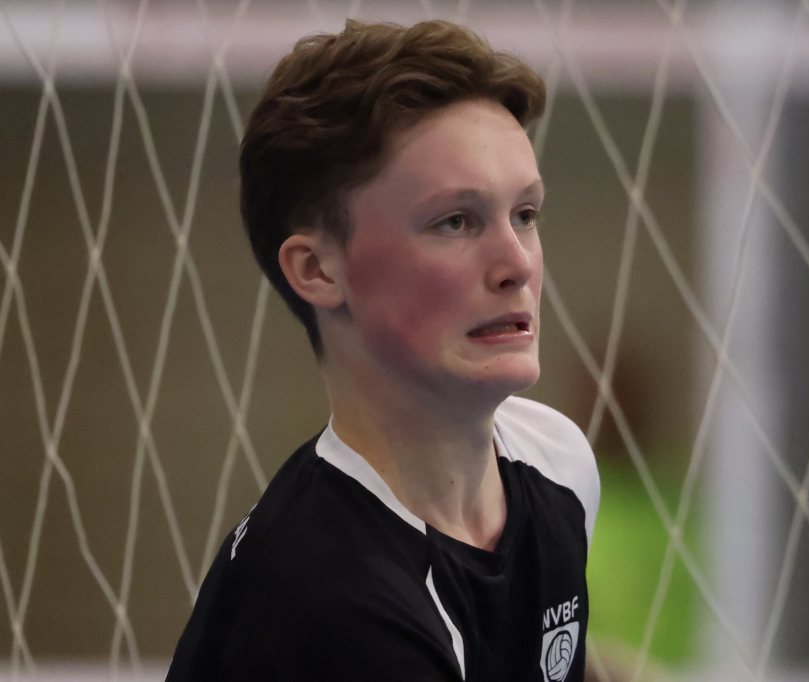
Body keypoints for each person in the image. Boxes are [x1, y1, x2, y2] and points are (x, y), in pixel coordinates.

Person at [166, 18, 599, 682]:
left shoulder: (556, 461)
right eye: (455, 221)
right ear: (317, 270)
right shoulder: (324, 604)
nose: (518, 264)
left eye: (525, 215)